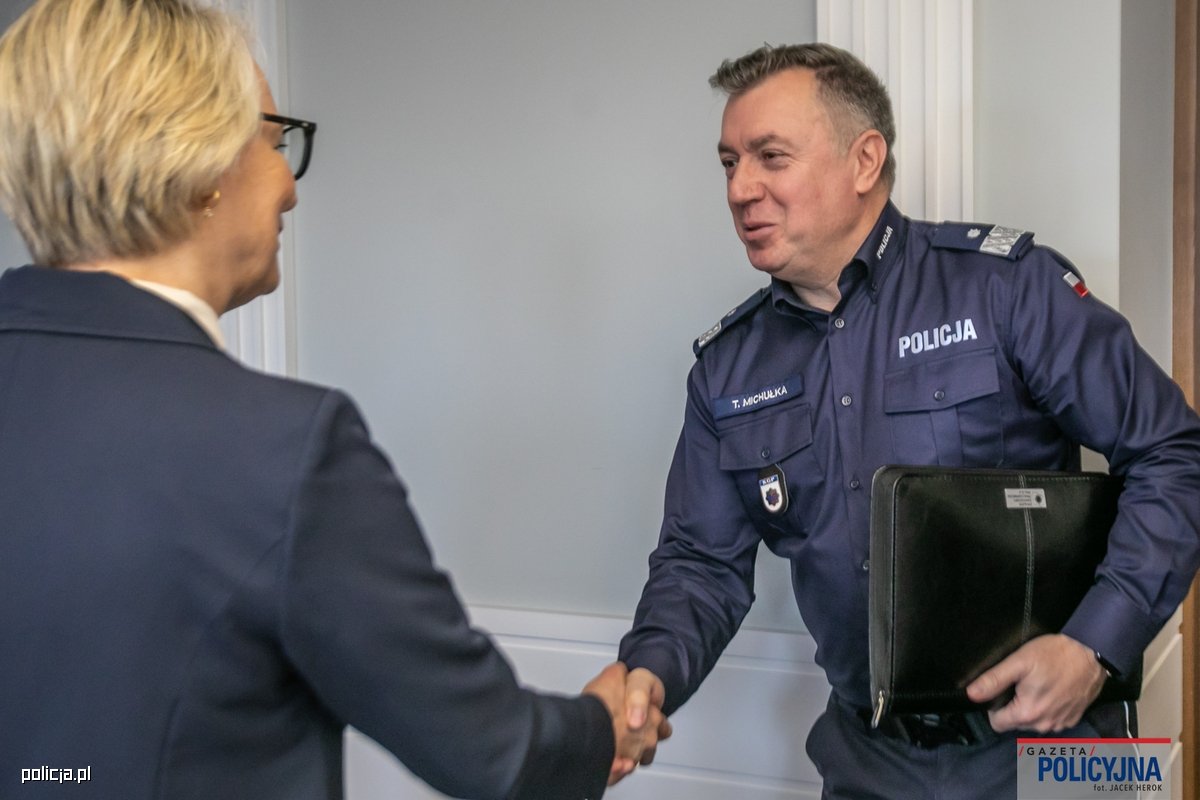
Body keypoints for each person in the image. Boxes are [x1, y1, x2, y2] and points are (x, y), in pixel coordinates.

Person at [0, 1, 666, 798]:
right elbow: (495, 752)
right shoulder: (281, 450)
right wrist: (603, 726)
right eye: (272, 142)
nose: (287, 187)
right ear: (202, 167)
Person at [616, 42, 1200, 798]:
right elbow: (699, 563)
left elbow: (1173, 453)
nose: (740, 188)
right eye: (729, 163)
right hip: (868, 761)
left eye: (770, 157)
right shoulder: (728, 369)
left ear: (864, 161)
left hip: (1060, 742)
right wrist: (647, 675)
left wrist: (1093, 648)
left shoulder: (1008, 289)